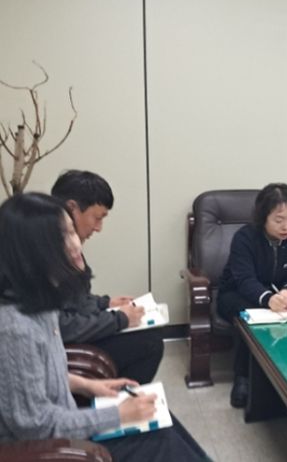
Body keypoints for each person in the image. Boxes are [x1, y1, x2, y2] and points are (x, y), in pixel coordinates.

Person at [0, 192, 207, 461]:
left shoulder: (40, 303)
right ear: (33, 252)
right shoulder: (14, 328)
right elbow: (35, 426)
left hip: (63, 422)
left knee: (161, 417)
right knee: (162, 441)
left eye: (72, 231)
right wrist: (117, 414)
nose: (76, 243)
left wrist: (88, 385)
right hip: (43, 449)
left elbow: (39, 374)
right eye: (64, 236)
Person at [51, 170, 163, 384]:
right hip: (65, 344)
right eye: (97, 218)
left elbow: (75, 299)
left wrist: (105, 303)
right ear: (72, 208)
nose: (99, 228)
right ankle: (120, 398)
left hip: (74, 333)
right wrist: (119, 319)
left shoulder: (65, 244)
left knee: (149, 337)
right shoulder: (49, 254)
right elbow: (61, 324)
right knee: (148, 343)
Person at [217, 183, 287, 408]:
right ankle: (243, 377)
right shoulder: (244, 238)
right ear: (263, 218)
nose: (286, 226)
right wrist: (268, 299)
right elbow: (244, 279)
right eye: (279, 220)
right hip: (237, 293)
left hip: (281, 293)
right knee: (249, 318)